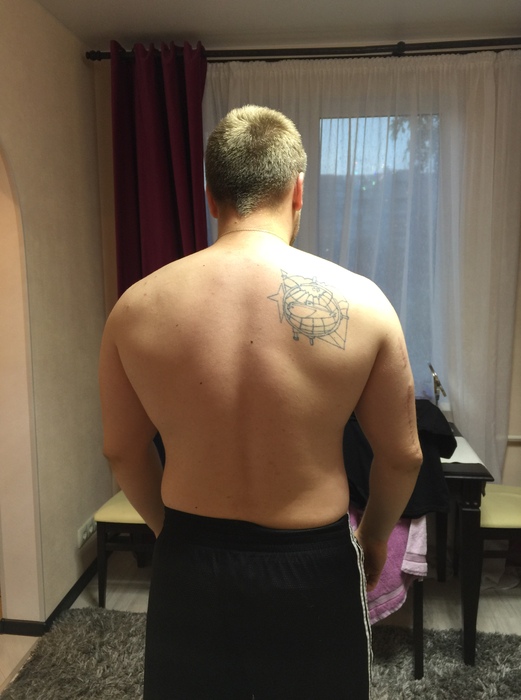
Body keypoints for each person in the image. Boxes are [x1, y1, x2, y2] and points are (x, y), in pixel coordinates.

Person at [99, 105, 422, 700]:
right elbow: (402, 457)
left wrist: (172, 534)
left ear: (210, 196)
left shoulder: (135, 309)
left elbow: (122, 450)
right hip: (314, 564)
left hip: (190, 558)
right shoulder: (364, 303)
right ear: (298, 190)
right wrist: (374, 538)